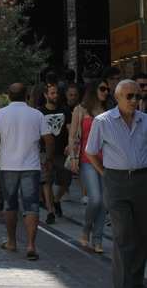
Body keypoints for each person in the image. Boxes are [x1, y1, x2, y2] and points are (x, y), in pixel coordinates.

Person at [85, 79, 147, 288]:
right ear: (117, 97)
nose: (134, 100)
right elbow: (90, 151)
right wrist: (104, 173)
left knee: (141, 236)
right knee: (123, 236)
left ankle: (135, 283)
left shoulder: (145, 121)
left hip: (142, 180)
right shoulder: (103, 121)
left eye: (138, 96)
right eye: (129, 96)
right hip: (116, 181)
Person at [0, 83, 53, 261]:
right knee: (31, 206)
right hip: (31, 167)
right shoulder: (37, 114)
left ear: (8, 95)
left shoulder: (0, 114)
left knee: (10, 205)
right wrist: (48, 159)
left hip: (8, 166)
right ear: (27, 95)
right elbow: (48, 139)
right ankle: (31, 245)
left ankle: (11, 241)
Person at [67, 79, 109, 254]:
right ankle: (86, 229)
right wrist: (73, 157)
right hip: (87, 160)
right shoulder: (79, 110)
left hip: (107, 161)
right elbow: (72, 136)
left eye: (107, 89)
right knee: (96, 199)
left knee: (104, 202)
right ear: (93, 90)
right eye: (102, 88)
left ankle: (97, 239)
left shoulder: (109, 111)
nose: (106, 91)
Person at [38, 83, 72, 224]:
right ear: (46, 95)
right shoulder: (39, 112)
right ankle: (50, 211)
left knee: (66, 181)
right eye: (52, 93)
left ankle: (56, 200)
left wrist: (71, 144)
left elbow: (70, 128)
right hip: (45, 151)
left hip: (62, 151)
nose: (55, 95)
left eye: (56, 93)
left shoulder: (65, 110)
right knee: (47, 180)